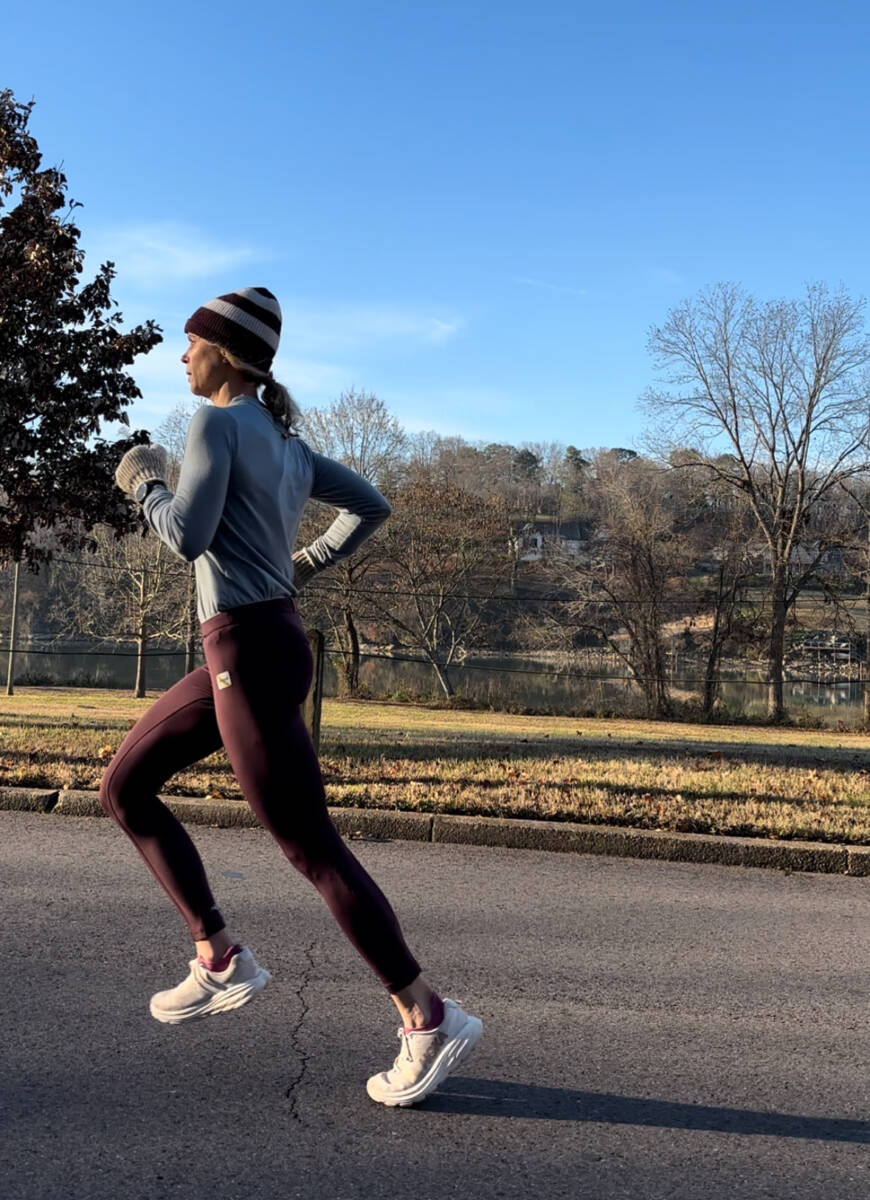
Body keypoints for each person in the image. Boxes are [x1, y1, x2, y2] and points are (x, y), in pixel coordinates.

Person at [103, 286, 482, 1107]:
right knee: (124, 786)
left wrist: (145, 483)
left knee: (313, 849)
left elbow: (186, 537)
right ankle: (218, 954)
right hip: (258, 642)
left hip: (245, 649)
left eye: (191, 342)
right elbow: (370, 506)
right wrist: (304, 564)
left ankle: (426, 1015)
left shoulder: (217, 424)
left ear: (224, 353)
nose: (181, 356)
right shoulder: (284, 440)